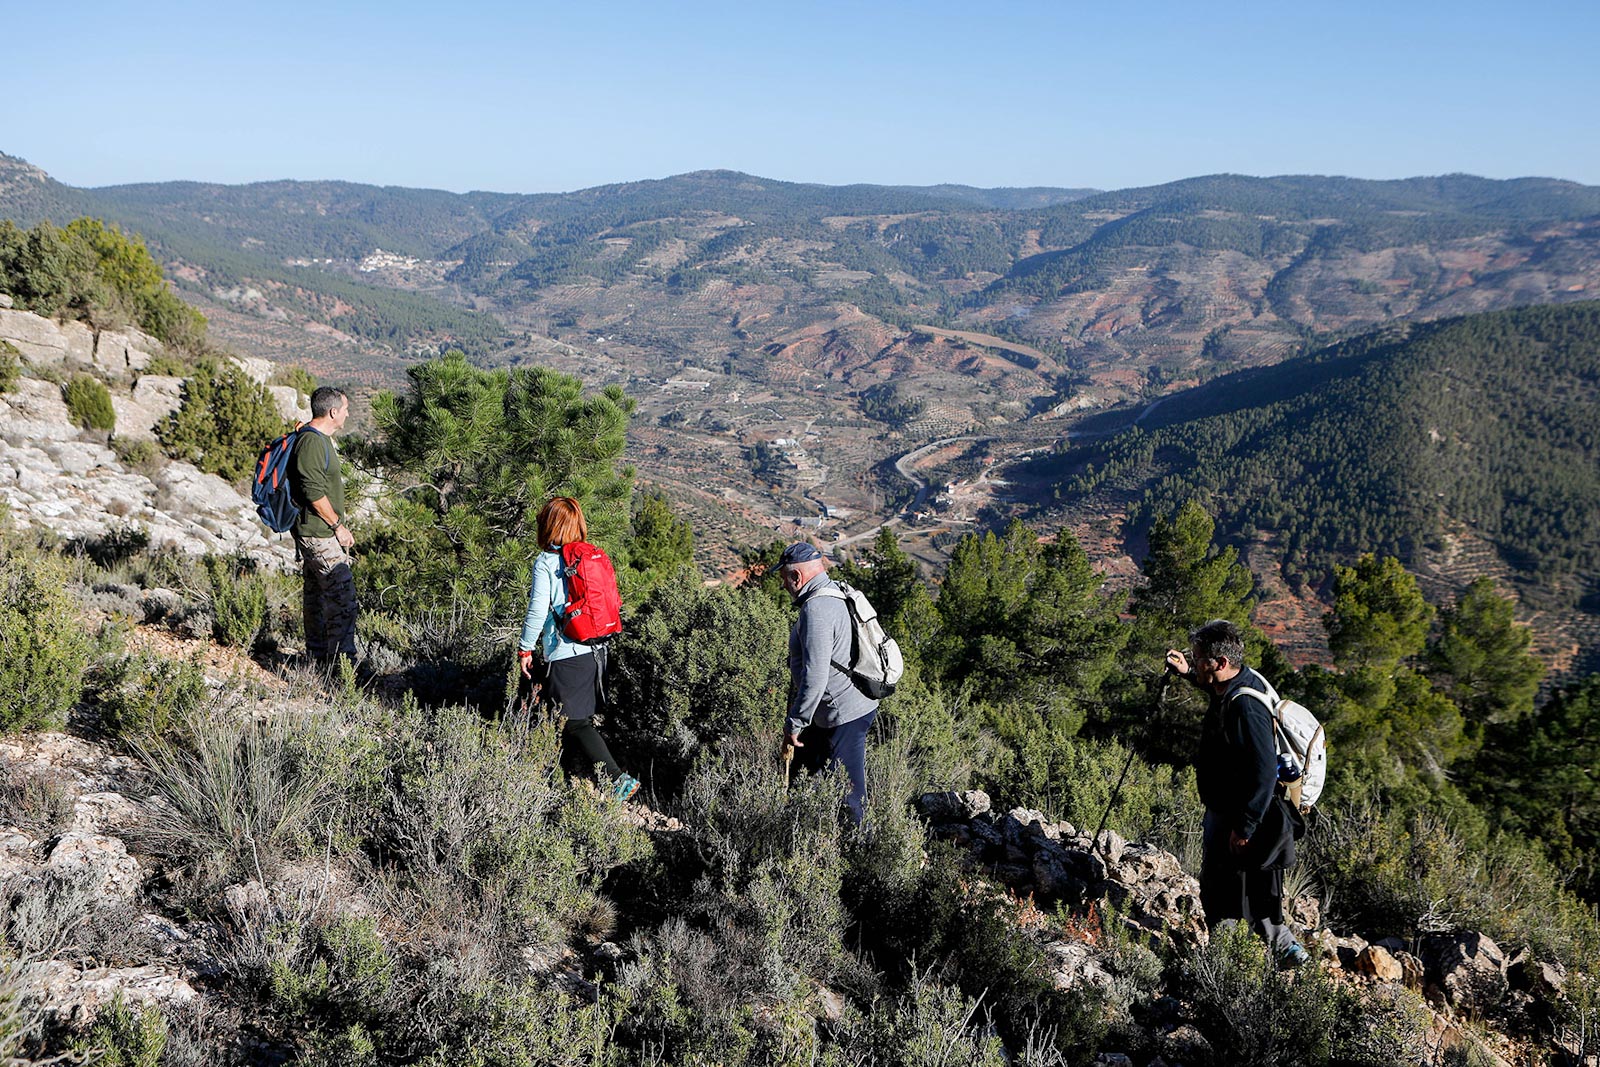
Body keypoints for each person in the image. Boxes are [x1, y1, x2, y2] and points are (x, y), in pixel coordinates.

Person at [1165, 619, 1308, 965]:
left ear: (1221, 663)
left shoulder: (1246, 707)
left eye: (1198, 658)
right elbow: (1216, 690)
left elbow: (1262, 771)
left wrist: (1244, 827)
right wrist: (1188, 673)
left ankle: (1224, 961)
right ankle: (1285, 949)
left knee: (1220, 885)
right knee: (1255, 884)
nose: (1194, 660)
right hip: (1241, 808)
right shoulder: (1242, 682)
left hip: (1238, 811)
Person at [518, 497, 639, 802]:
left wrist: (524, 649)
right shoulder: (591, 556)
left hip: (565, 652)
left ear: (549, 525)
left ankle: (616, 779)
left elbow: (536, 610)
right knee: (572, 717)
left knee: (574, 722)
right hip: (596, 649)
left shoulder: (546, 562)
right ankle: (567, 780)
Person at [779, 542, 878, 823]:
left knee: (851, 792)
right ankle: (805, 834)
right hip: (836, 710)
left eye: (785, 579)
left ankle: (863, 850)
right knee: (808, 772)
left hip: (843, 714)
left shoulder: (816, 610)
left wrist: (795, 723)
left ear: (796, 577)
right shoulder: (835, 591)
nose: (784, 585)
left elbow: (815, 676)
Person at [289, 386, 358, 666]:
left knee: (317, 597)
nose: (347, 413)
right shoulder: (313, 443)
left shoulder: (314, 437)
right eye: (345, 409)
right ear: (332, 412)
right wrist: (338, 526)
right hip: (319, 533)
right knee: (343, 599)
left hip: (316, 531)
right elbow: (313, 491)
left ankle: (318, 662)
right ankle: (344, 669)